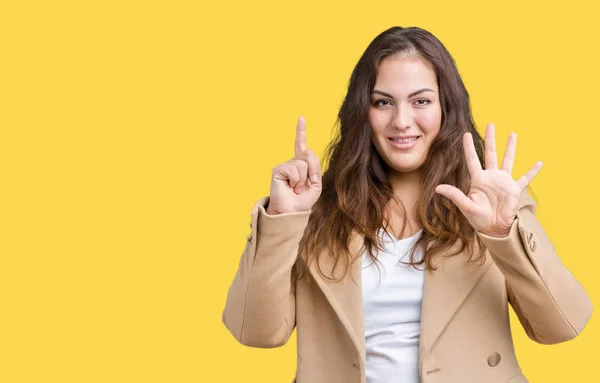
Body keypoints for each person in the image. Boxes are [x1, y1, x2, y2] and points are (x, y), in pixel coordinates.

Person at [221, 26, 592, 383]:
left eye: (421, 101)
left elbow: (563, 326)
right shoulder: (318, 209)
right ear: (361, 113)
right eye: (383, 102)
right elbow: (257, 333)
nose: (401, 121)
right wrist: (284, 219)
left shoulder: (491, 203)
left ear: (446, 107)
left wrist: (502, 233)